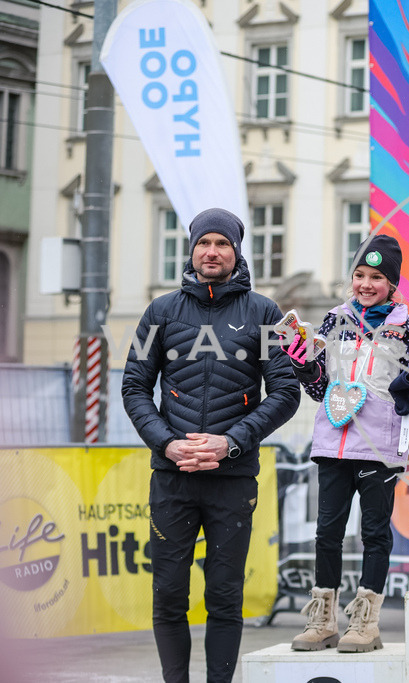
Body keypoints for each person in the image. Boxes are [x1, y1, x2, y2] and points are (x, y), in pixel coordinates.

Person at [121, 208, 300, 683]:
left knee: (224, 596)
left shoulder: (264, 313)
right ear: (192, 250)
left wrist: (231, 443)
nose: (212, 252)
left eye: (222, 244)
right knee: (168, 595)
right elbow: (134, 387)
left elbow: (286, 392)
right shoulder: (160, 313)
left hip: (232, 480)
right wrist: (167, 444)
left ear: (237, 251)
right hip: (172, 477)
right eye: (205, 243)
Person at [287, 234, 409, 652]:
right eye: (360, 275)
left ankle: (366, 621)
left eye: (376, 277)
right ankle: (324, 619)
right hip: (333, 441)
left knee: (374, 532)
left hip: (379, 445)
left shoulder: (408, 330)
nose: (366, 284)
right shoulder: (333, 321)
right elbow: (319, 388)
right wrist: (302, 364)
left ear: (392, 283)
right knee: (327, 532)